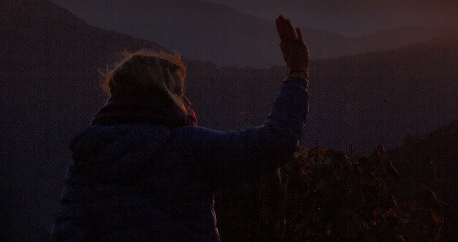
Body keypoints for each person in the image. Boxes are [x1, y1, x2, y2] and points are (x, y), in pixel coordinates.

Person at [53, 15, 310, 241]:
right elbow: (276, 142)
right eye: (179, 91)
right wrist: (297, 73)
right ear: (164, 93)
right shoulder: (187, 147)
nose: (185, 101)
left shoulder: (89, 156)